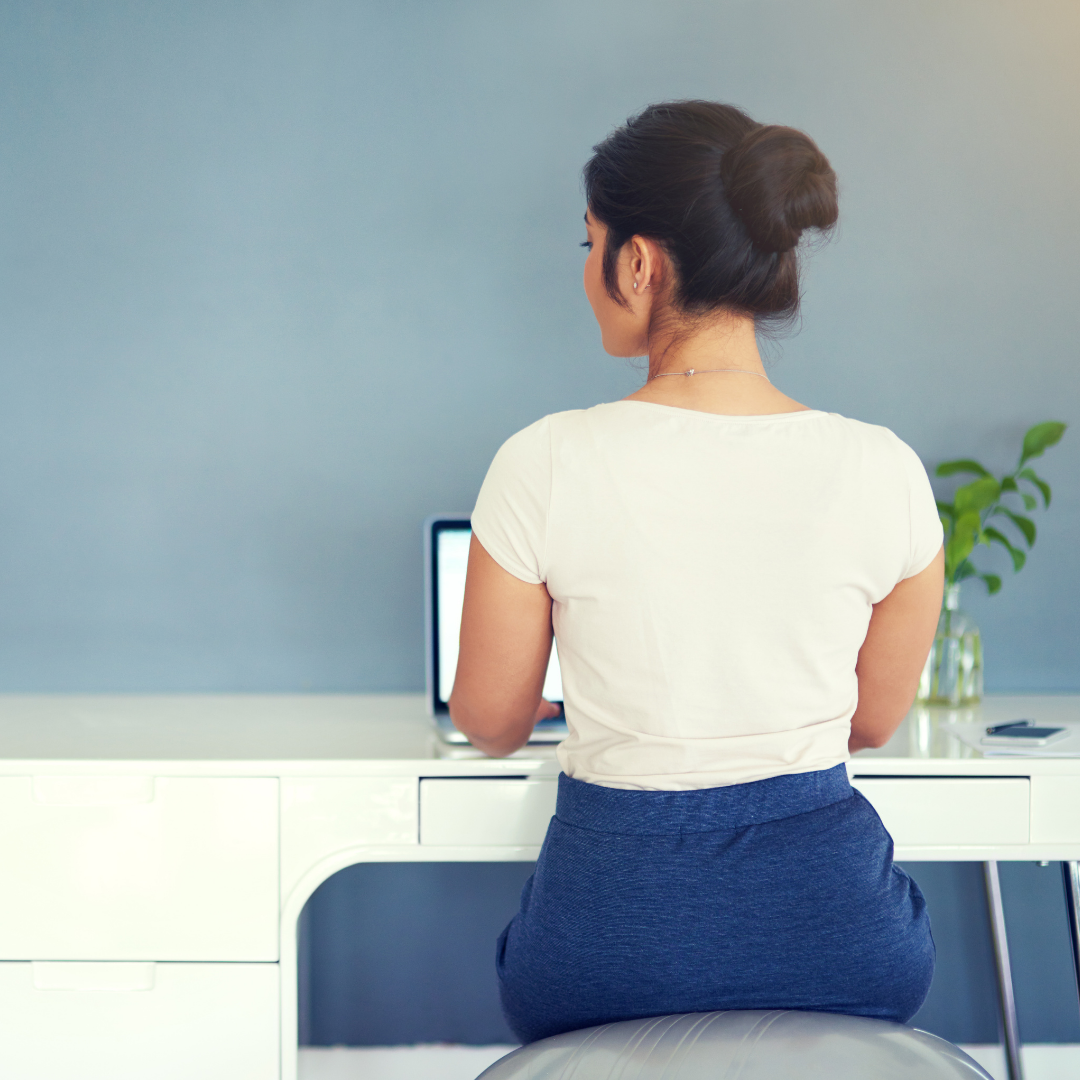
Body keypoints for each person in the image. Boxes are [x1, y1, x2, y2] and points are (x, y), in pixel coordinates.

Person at [449, 100, 944, 1045]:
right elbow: (870, 719)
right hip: (845, 942)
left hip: (602, 949)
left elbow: (490, 720)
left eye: (587, 242)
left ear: (637, 262)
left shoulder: (545, 459)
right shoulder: (883, 467)